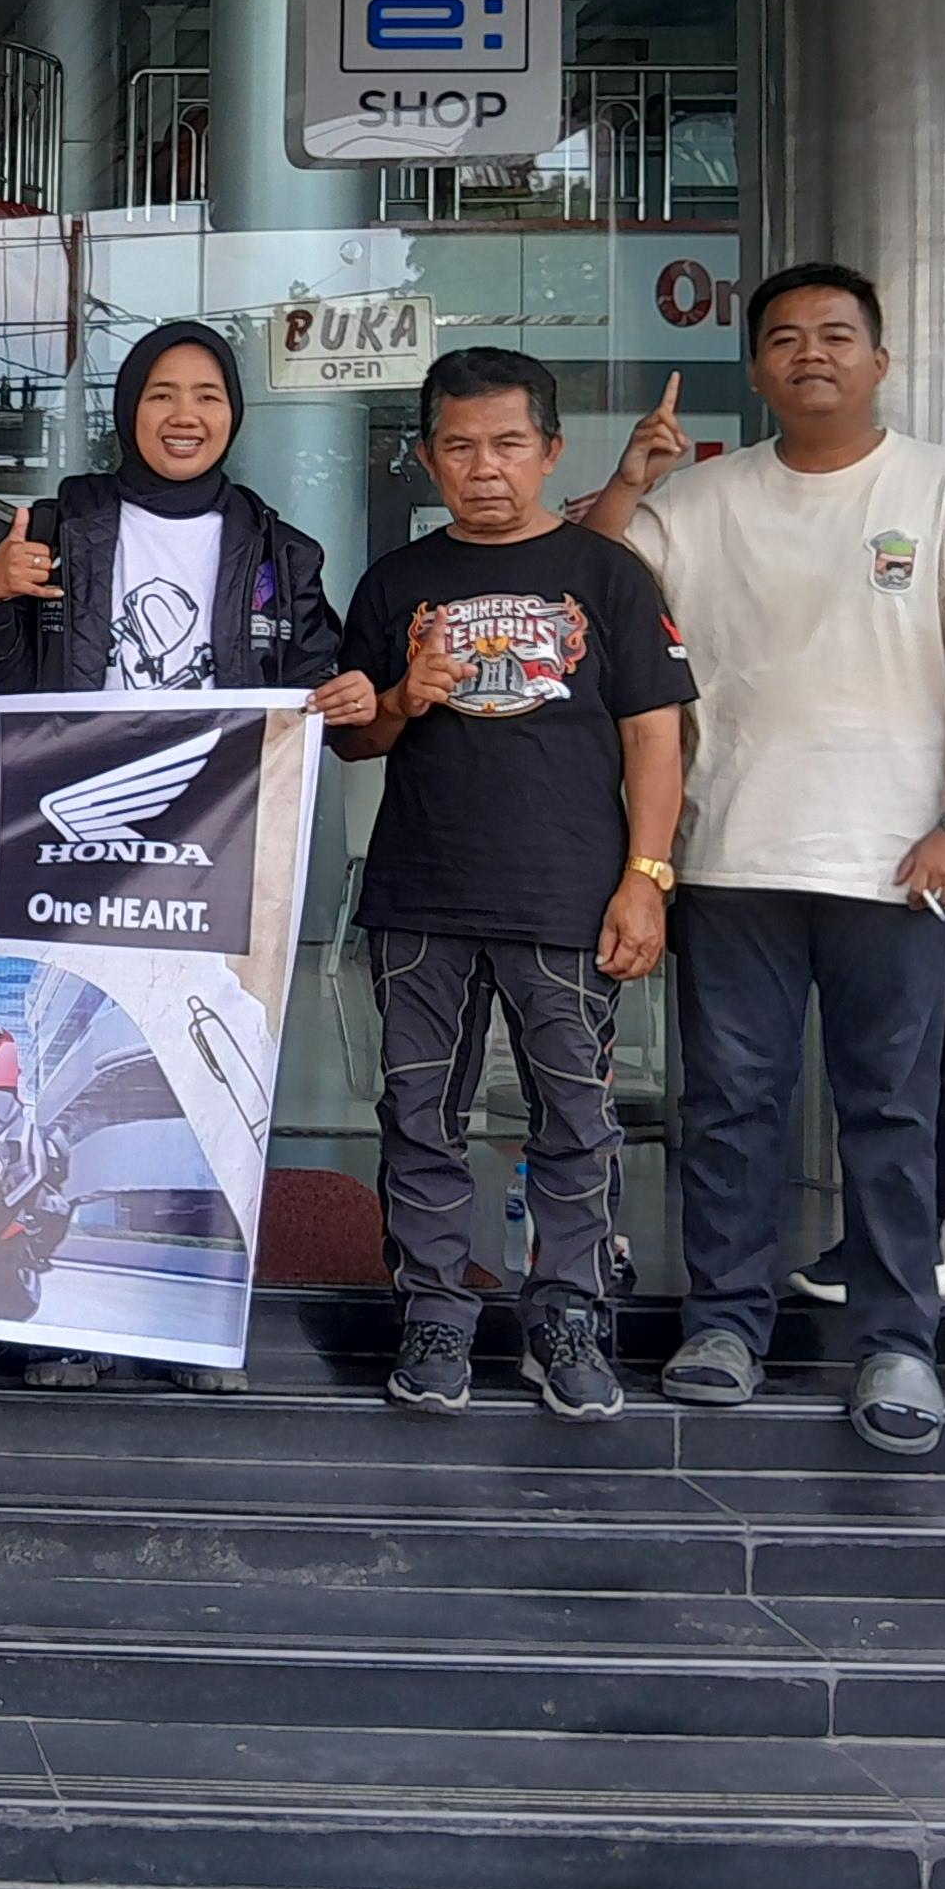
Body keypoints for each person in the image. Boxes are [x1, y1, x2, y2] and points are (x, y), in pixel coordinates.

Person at [584, 266, 945, 1456]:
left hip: (896, 863)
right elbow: (579, 588)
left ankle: (898, 1340)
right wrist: (631, 482)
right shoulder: (701, 499)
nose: (811, 355)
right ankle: (724, 1324)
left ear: (880, 361)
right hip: (730, 853)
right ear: (755, 369)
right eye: (785, 338)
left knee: (890, 1111)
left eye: (837, 336)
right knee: (729, 1107)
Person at [0, 317, 379, 1394]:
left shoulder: (281, 553)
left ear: (234, 415)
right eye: (161, 394)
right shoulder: (62, 528)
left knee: (208, 1080)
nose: (184, 416)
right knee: (65, 1087)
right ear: (127, 411)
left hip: (213, 855)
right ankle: (70, 1320)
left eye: (207, 396)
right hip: (71, 847)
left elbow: (325, 693)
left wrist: (351, 697)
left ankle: (189, 1325)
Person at [336, 347, 688, 1424]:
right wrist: (405, 695)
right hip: (420, 897)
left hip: (569, 898)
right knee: (420, 1115)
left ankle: (568, 1316)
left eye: (506, 444)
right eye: (459, 446)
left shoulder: (610, 575)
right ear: (427, 456)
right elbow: (357, 739)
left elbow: (656, 738)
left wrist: (646, 879)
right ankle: (435, 1312)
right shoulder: (393, 582)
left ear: (550, 451)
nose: (483, 468)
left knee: (575, 1119)